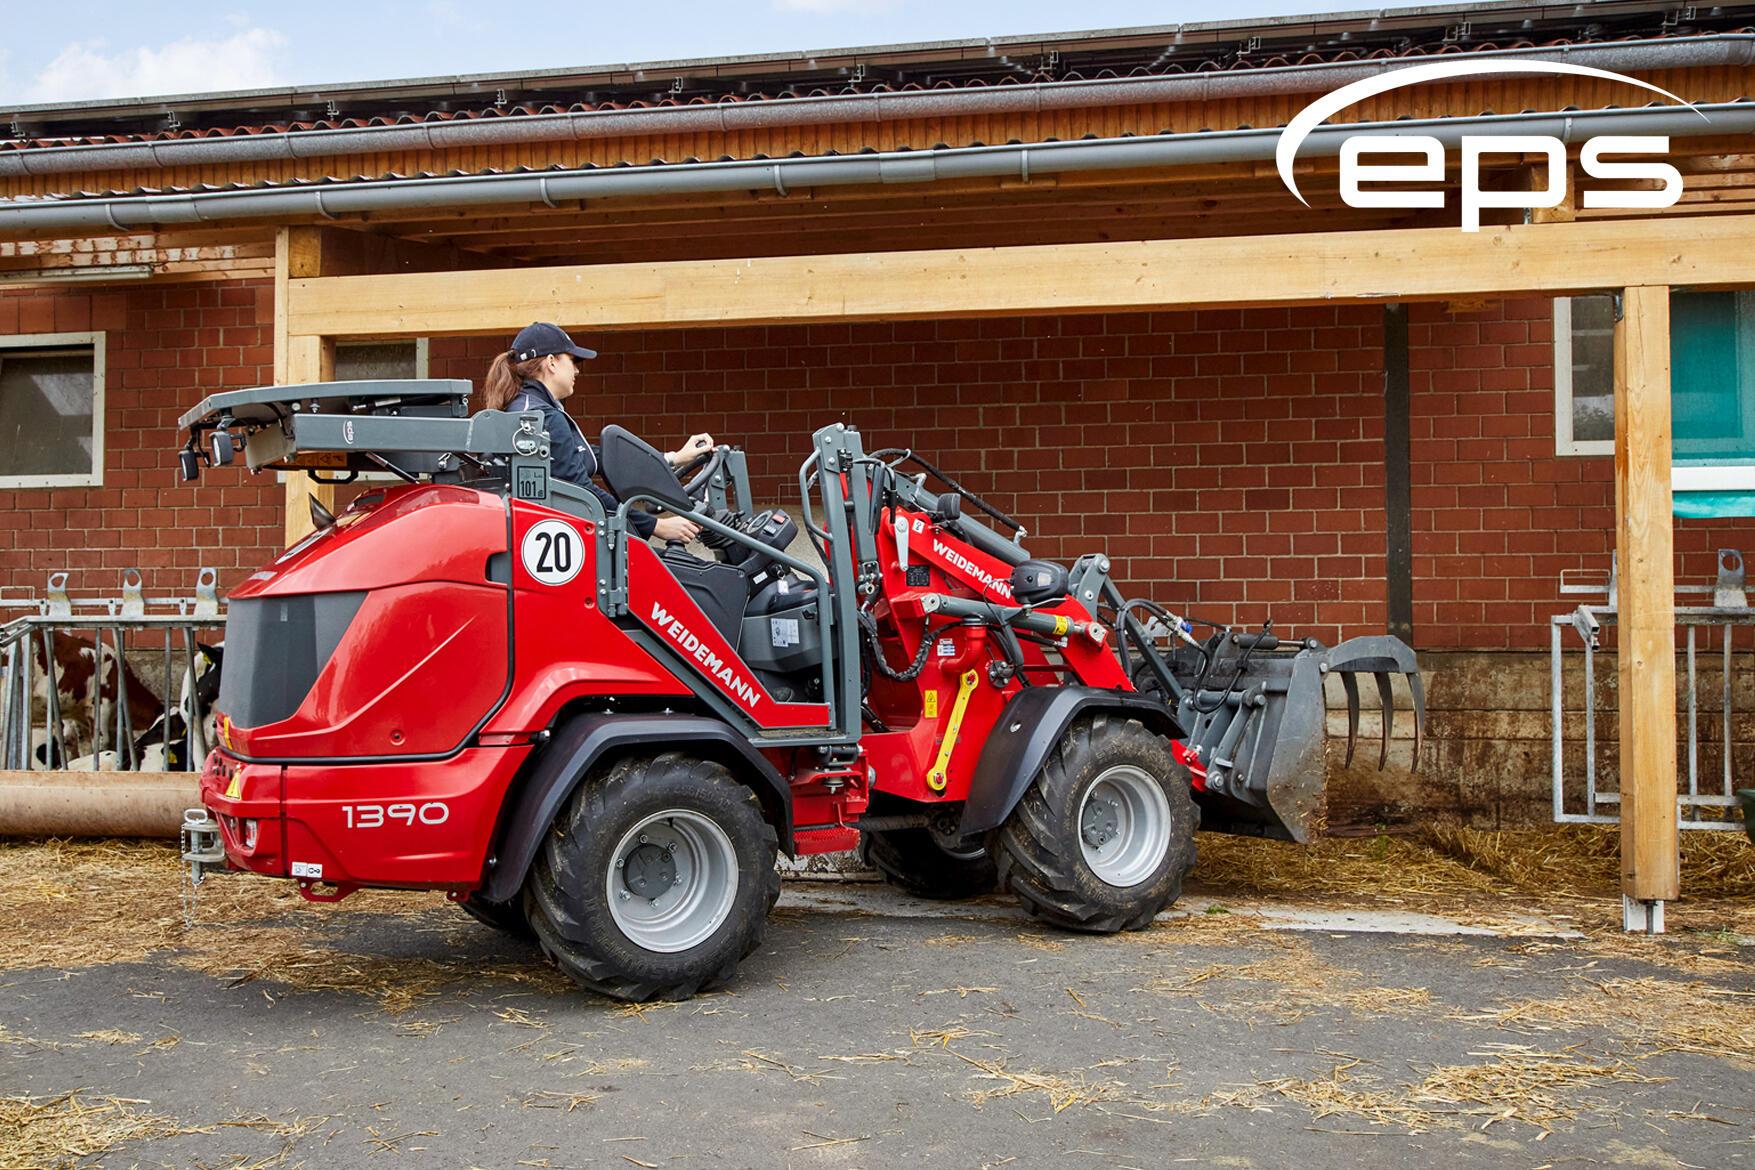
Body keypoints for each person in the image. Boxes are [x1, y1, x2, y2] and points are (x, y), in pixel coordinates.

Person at [481, 322, 710, 543]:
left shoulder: (524, 408)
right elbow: (582, 494)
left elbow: (591, 457)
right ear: (551, 362)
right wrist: (656, 526)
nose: (577, 370)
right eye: (573, 360)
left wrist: (673, 458)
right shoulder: (545, 417)